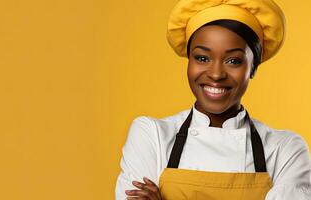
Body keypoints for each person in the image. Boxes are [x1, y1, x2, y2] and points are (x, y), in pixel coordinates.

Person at [115, 0, 311, 199]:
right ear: (189, 61)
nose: (216, 74)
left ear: (253, 68)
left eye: (233, 61)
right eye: (202, 58)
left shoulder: (285, 150)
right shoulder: (151, 135)